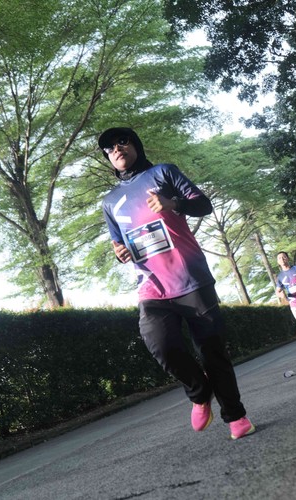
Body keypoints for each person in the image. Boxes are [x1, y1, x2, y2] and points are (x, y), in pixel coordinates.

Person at [99, 127, 255, 440]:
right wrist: (120, 253)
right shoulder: (110, 201)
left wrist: (173, 204)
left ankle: (236, 416)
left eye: (122, 141)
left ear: (135, 145)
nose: (116, 149)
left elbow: (203, 205)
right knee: (160, 344)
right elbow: (119, 244)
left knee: (212, 351)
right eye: (109, 148)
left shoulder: (163, 173)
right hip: (151, 285)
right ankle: (199, 393)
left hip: (190, 277)